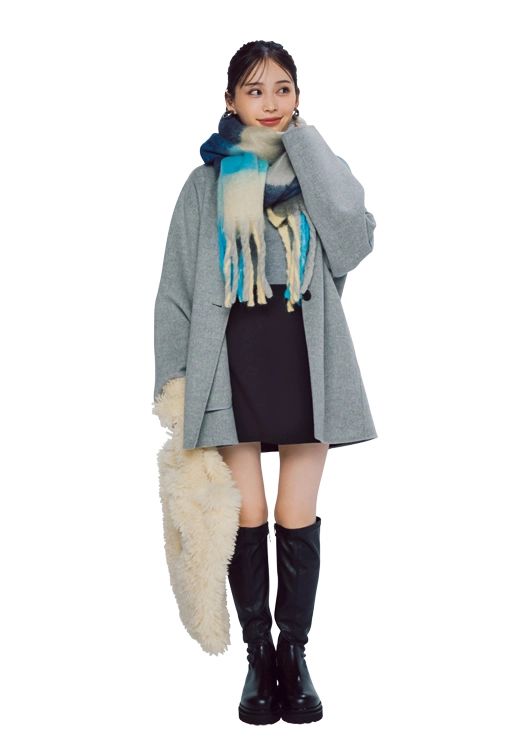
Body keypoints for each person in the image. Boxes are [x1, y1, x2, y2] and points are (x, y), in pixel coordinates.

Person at [153, 40, 378, 725]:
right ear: (230, 101)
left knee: (295, 512)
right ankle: (258, 657)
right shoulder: (204, 185)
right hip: (232, 360)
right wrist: (174, 383)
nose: (271, 103)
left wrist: (306, 146)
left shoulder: (316, 173)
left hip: (308, 356)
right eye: (255, 90)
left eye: (283, 89)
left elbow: (354, 239)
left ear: (299, 97)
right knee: (246, 513)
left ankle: (295, 654)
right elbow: (175, 292)